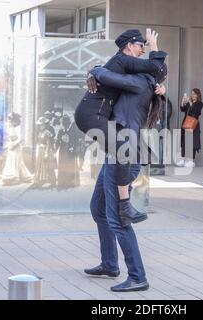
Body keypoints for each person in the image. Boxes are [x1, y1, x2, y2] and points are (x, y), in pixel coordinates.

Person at [83, 60, 168, 292]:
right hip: (116, 155)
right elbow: (106, 79)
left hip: (125, 157)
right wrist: (91, 74)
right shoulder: (129, 88)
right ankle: (110, 264)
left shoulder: (138, 85)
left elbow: (118, 75)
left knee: (119, 220)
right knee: (98, 209)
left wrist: (96, 71)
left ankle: (137, 276)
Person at [75, 28, 166, 225]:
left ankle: (124, 206)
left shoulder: (122, 64)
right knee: (124, 151)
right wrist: (95, 71)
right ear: (129, 47)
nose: (143, 50)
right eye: (141, 46)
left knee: (123, 151)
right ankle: (124, 206)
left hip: (97, 115)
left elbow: (158, 72)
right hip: (91, 115)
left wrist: (95, 69)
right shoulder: (123, 61)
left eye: (144, 46)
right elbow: (155, 68)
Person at [1, 112, 33, 185]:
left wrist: (17, 142)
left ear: (14, 122)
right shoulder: (10, 129)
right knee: (13, 161)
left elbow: (14, 140)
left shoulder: (13, 129)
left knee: (15, 161)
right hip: (13, 148)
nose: (9, 122)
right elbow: (11, 139)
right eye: (9, 121)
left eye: (11, 121)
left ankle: (15, 177)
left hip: (16, 148)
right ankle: (16, 177)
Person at [176, 88, 203, 168]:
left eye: (194, 94)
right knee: (185, 141)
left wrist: (191, 103)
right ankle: (184, 159)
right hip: (186, 123)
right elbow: (182, 109)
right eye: (192, 93)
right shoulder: (189, 103)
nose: (192, 95)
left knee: (192, 142)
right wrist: (183, 101)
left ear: (198, 95)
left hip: (194, 124)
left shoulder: (199, 103)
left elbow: (196, 112)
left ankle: (191, 161)